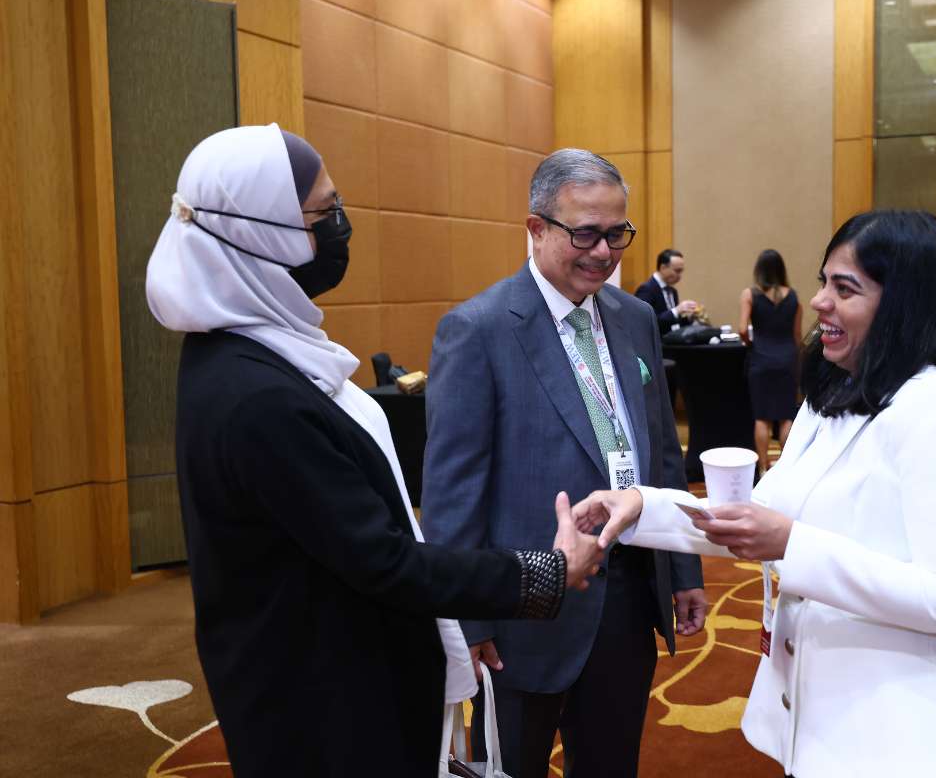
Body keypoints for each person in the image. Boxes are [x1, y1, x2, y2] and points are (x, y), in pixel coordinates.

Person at [145, 124, 602, 778]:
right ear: (259, 233)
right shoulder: (256, 396)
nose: (342, 227)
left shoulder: (249, 348)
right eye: (322, 214)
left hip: (323, 670)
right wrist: (543, 573)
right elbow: (383, 560)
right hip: (321, 702)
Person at [573, 210, 936, 777]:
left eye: (845, 289)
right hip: (820, 706)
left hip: (906, 723)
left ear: (903, 306)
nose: (818, 302)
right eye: (823, 282)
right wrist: (643, 507)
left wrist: (792, 544)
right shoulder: (831, 395)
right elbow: (756, 518)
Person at [422, 148, 707, 778]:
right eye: (586, 233)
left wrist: (682, 565)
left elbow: (662, 452)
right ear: (536, 228)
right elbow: (452, 493)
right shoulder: (479, 329)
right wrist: (470, 617)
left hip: (629, 594)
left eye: (618, 234)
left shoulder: (635, 317)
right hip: (524, 613)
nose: (604, 252)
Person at [738, 249, 804, 473]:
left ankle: (763, 469)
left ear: (759, 270)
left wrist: (750, 343)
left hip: (761, 360)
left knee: (762, 418)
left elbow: (742, 329)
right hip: (787, 360)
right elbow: (797, 336)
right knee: (786, 417)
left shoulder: (750, 294)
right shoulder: (794, 297)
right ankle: (786, 468)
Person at [635, 248, 699, 334]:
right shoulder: (646, 289)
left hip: (672, 339)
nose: (680, 276)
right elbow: (645, 322)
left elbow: (673, 322)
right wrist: (676, 310)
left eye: (681, 271)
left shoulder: (673, 291)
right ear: (663, 267)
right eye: (677, 271)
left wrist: (690, 318)